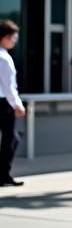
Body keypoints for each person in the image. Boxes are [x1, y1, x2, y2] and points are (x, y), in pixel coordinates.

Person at [0, 19, 25, 187]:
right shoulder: (4, 58)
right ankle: (3, 174)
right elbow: (8, 86)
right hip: (3, 104)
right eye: (12, 37)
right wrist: (17, 104)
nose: (14, 40)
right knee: (11, 139)